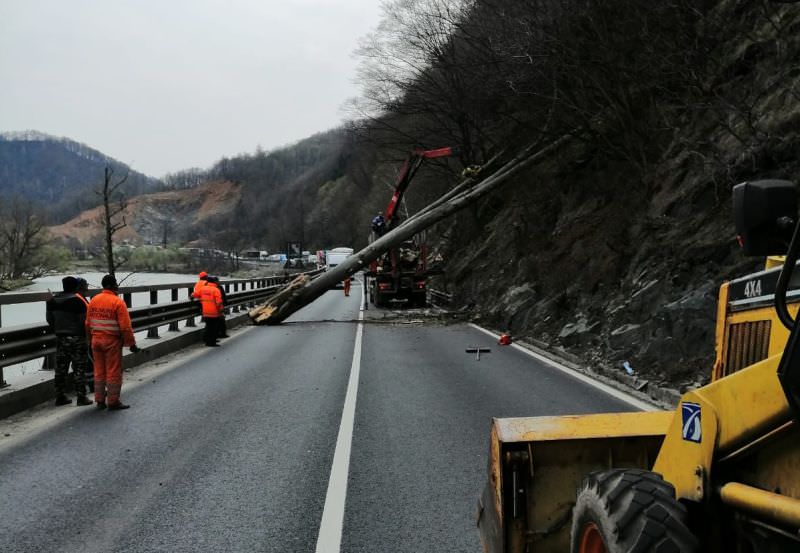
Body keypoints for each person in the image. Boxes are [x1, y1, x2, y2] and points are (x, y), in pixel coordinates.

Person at [85, 274, 139, 410]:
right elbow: (125, 327)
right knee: (113, 371)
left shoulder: (94, 300)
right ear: (110, 285)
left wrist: (89, 340)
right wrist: (131, 344)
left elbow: (87, 323)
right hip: (111, 341)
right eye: (115, 283)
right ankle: (113, 401)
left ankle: (100, 400)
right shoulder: (117, 302)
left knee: (98, 371)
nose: (117, 286)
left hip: (96, 340)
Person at [46, 276, 92, 406]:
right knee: (79, 368)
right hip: (77, 338)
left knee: (61, 369)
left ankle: (60, 396)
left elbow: (50, 319)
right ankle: (81, 397)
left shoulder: (53, 300)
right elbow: (85, 322)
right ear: (76, 286)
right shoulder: (79, 301)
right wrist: (87, 338)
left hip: (61, 338)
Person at [75, 277, 94, 396]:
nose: (88, 287)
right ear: (81, 287)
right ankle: (91, 387)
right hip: (82, 336)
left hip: (78, 335)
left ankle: (88, 387)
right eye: (86, 285)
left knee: (83, 363)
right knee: (87, 364)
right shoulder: (79, 300)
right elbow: (86, 320)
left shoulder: (77, 298)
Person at [199, 276, 224, 347]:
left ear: (207, 282)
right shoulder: (216, 290)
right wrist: (221, 310)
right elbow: (219, 302)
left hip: (205, 313)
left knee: (208, 327)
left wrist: (191, 295)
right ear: (214, 282)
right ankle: (212, 342)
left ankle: (207, 341)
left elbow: (196, 294)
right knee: (214, 328)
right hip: (214, 313)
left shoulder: (202, 289)